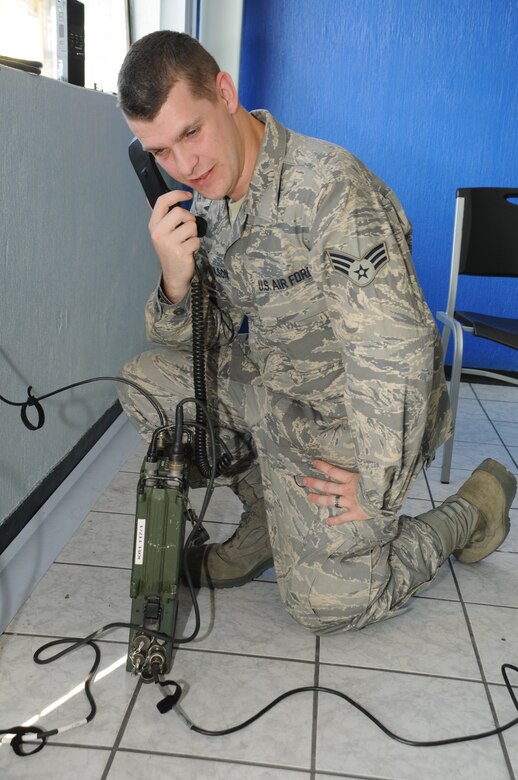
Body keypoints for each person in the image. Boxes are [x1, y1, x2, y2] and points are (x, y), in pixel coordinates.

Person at [116, 31, 515, 633]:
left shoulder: (330, 187)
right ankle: (269, 519)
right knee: (147, 382)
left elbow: (397, 352)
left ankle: (472, 509)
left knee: (328, 605)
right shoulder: (213, 205)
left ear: (225, 93)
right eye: (161, 152)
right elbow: (201, 343)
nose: (185, 166)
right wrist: (176, 282)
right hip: (278, 390)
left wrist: (377, 483)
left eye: (190, 133)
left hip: (352, 418)